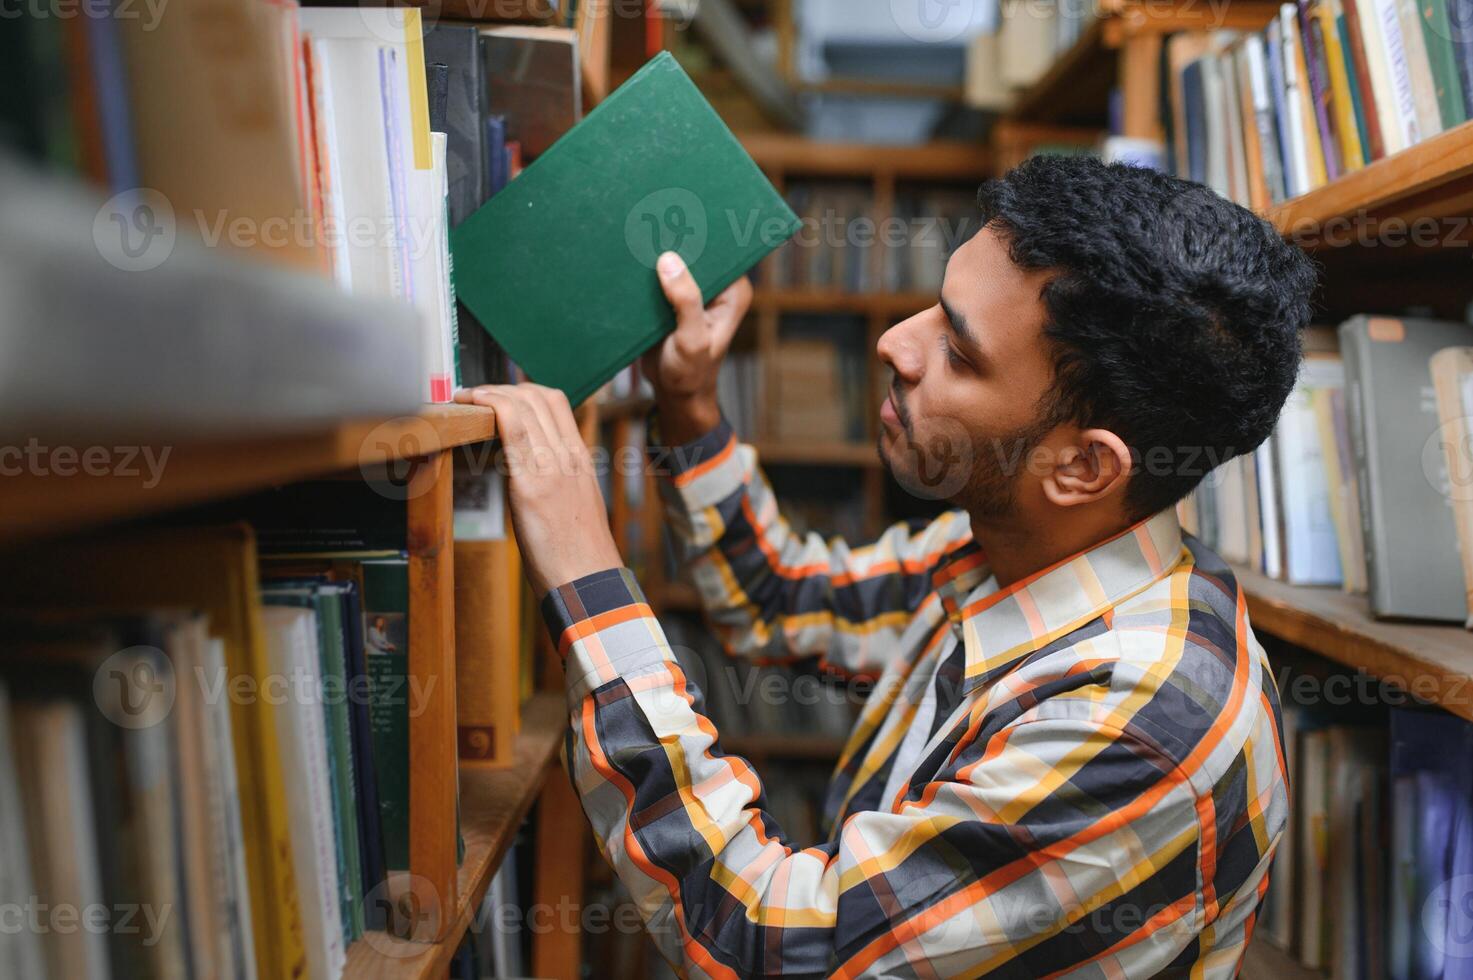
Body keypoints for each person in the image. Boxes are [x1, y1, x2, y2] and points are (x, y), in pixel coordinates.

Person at [455, 156, 1313, 977]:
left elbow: (755, 940)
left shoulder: (1141, 726)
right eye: (933, 309)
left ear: (1083, 468)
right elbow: (782, 600)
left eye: (960, 353)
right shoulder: (1016, 552)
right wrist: (687, 403)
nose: (896, 343)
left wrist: (580, 565)